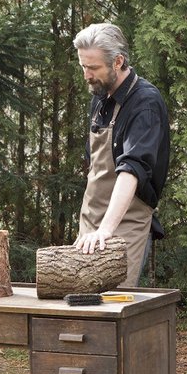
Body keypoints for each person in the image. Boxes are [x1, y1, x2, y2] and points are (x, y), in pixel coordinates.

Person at [72, 22, 170, 287]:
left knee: (115, 309)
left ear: (118, 61)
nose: (87, 75)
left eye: (93, 68)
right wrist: (94, 228)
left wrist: (106, 230)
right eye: (83, 66)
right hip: (90, 221)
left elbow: (131, 170)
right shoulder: (100, 95)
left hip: (125, 223)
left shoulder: (145, 103)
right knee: (82, 302)